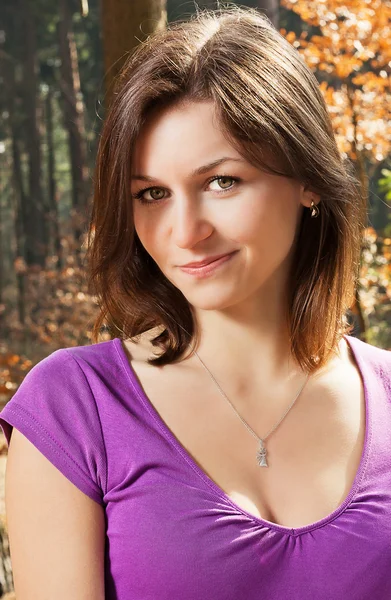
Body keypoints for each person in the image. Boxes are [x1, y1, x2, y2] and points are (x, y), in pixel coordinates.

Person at [1, 6, 391, 599]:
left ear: (308, 179)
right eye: (152, 194)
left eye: (221, 181)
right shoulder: (74, 409)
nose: (185, 232)